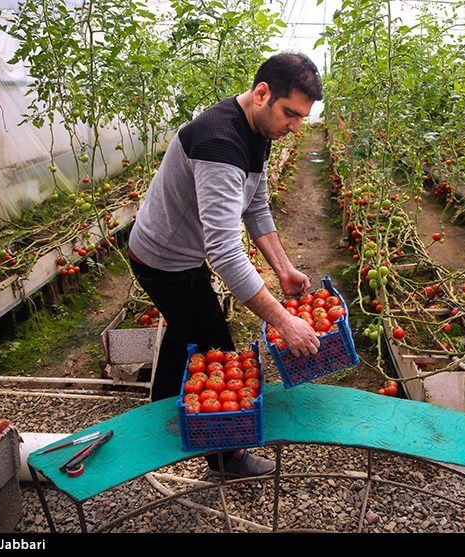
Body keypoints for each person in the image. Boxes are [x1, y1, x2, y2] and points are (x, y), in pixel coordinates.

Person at [127, 51, 323, 478]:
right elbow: (224, 251)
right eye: (290, 114)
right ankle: (225, 459)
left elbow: (256, 208)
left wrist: (284, 269)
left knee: (186, 332)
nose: (295, 127)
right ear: (262, 93)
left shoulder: (258, 132)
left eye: (302, 118)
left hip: (182, 253)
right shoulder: (219, 142)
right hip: (163, 260)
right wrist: (282, 322)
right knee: (217, 349)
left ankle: (159, 415)